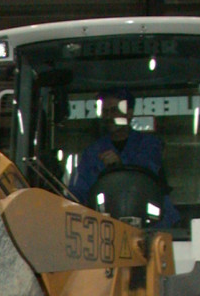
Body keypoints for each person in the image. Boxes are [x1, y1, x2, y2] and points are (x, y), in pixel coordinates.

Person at [69, 89, 180, 227]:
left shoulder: (150, 144)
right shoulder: (92, 152)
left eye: (114, 110)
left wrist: (119, 165)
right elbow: (78, 191)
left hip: (152, 226)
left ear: (129, 114)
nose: (109, 116)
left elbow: (146, 172)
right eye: (105, 111)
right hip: (103, 229)